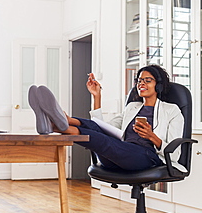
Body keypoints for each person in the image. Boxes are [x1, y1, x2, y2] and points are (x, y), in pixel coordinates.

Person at [28, 64, 186, 172]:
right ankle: (61, 122)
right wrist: (97, 96)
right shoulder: (132, 107)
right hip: (117, 155)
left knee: (105, 142)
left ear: (158, 85)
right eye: (139, 80)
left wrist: (151, 136)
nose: (141, 83)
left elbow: (174, 153)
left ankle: (58, 124)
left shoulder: (171, 111)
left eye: (147, 80)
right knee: (101, 134)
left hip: (146, 158)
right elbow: (102, 127)